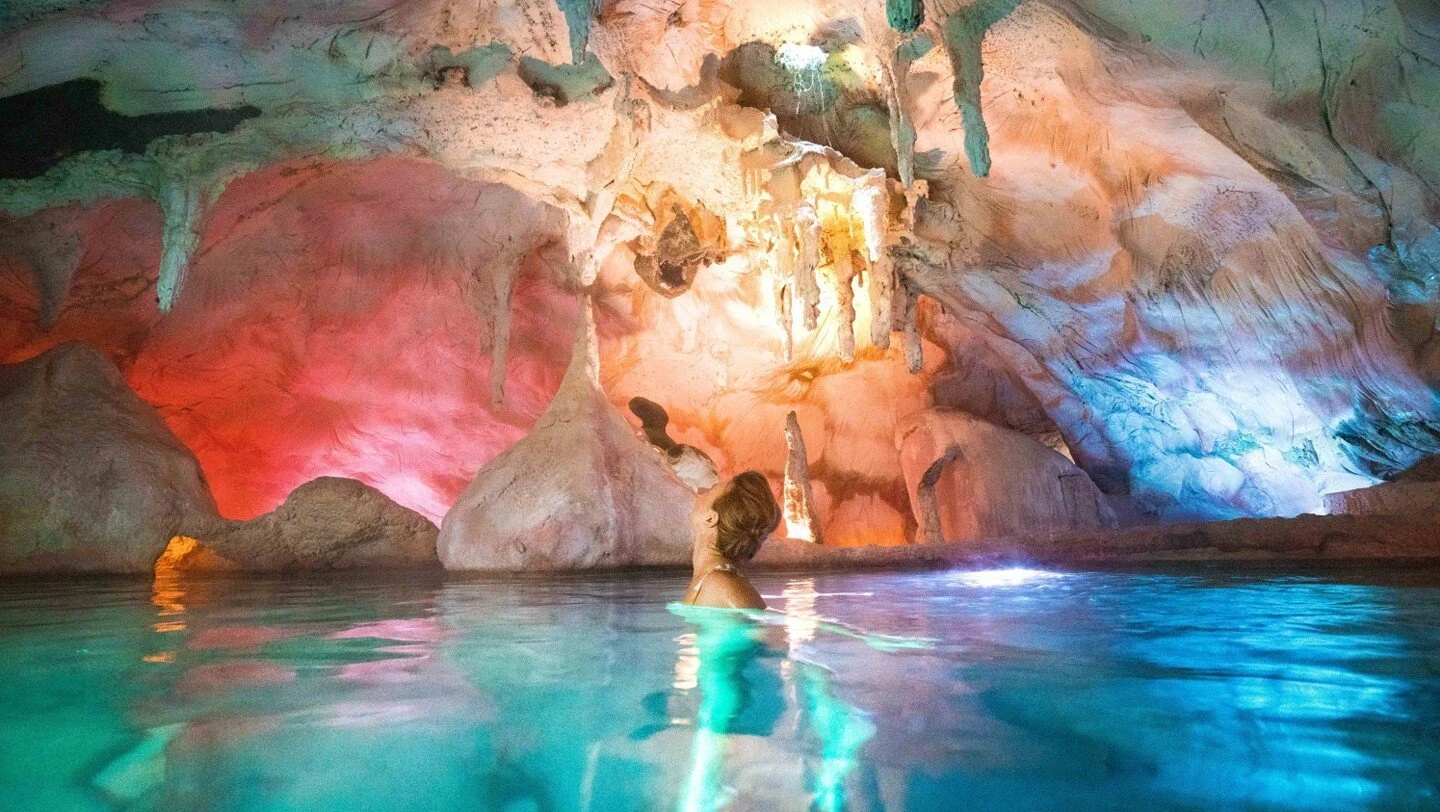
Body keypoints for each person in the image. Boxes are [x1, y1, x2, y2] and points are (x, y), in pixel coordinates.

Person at [682, 471, 781, 609]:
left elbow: (761, 628)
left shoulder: (722, 586)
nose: (699, 495)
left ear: (710, 519)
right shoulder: (714, 581)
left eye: (709, 491)